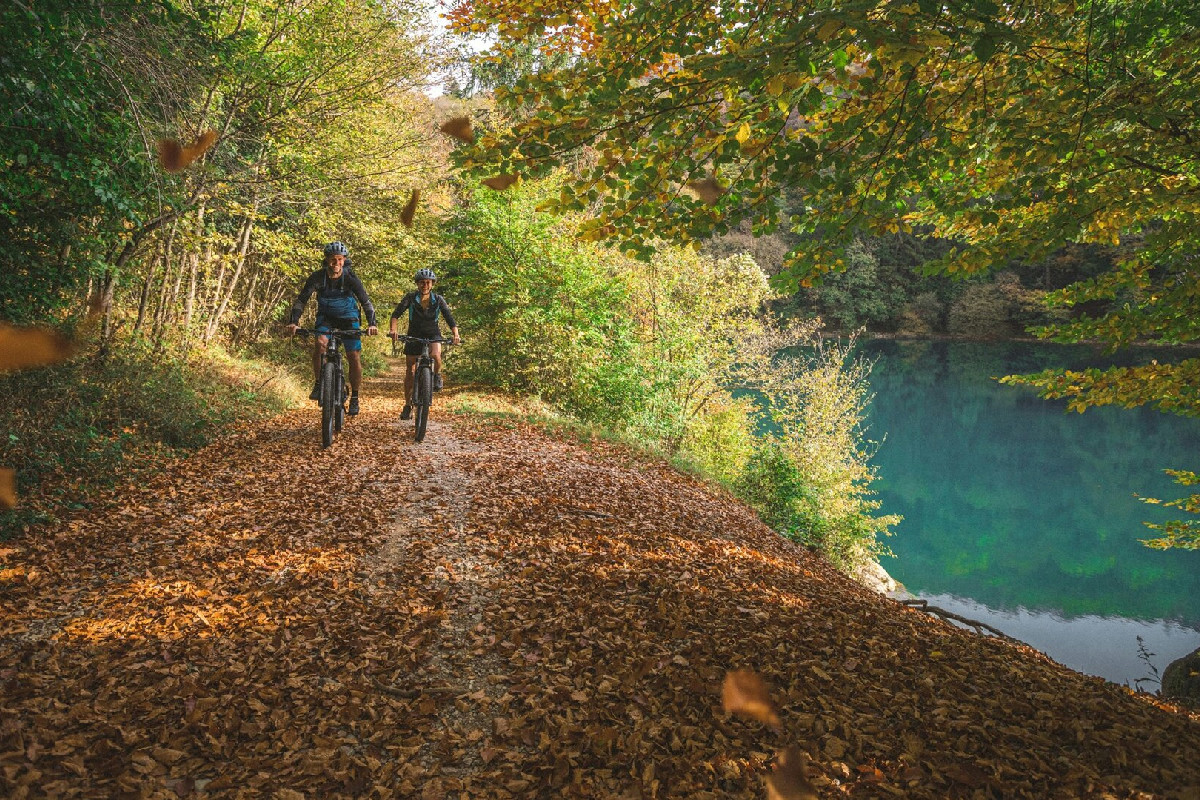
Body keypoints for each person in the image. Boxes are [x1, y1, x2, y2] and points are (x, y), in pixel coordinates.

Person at [287, 241, 378, 415]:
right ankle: (319, 383)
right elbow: (301, 300)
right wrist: (294, 321)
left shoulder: (350, 278)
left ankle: (355, 397)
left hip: (349, 318)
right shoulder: (317, 277)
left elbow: (366, 302)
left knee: (353, 356)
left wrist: (372, 324)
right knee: (320, 345)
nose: (336, 264)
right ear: (326, 260)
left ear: (344, 260)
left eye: (340, 260)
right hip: (326, 317)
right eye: (332, 260)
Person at [389, 267, 460, 420]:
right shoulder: (410, 297)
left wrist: (456, 334)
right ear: (417, 284)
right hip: (414, 334)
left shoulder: (438, 299)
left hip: (433, 333)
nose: (425, 285)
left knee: (435, 355)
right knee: (410, 370)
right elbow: (396, 314)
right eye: (422, 282)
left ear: (432, 284)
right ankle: (408, 405)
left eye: (428, 282)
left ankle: (436, 375)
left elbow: (449, 317)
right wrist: (393, 330)